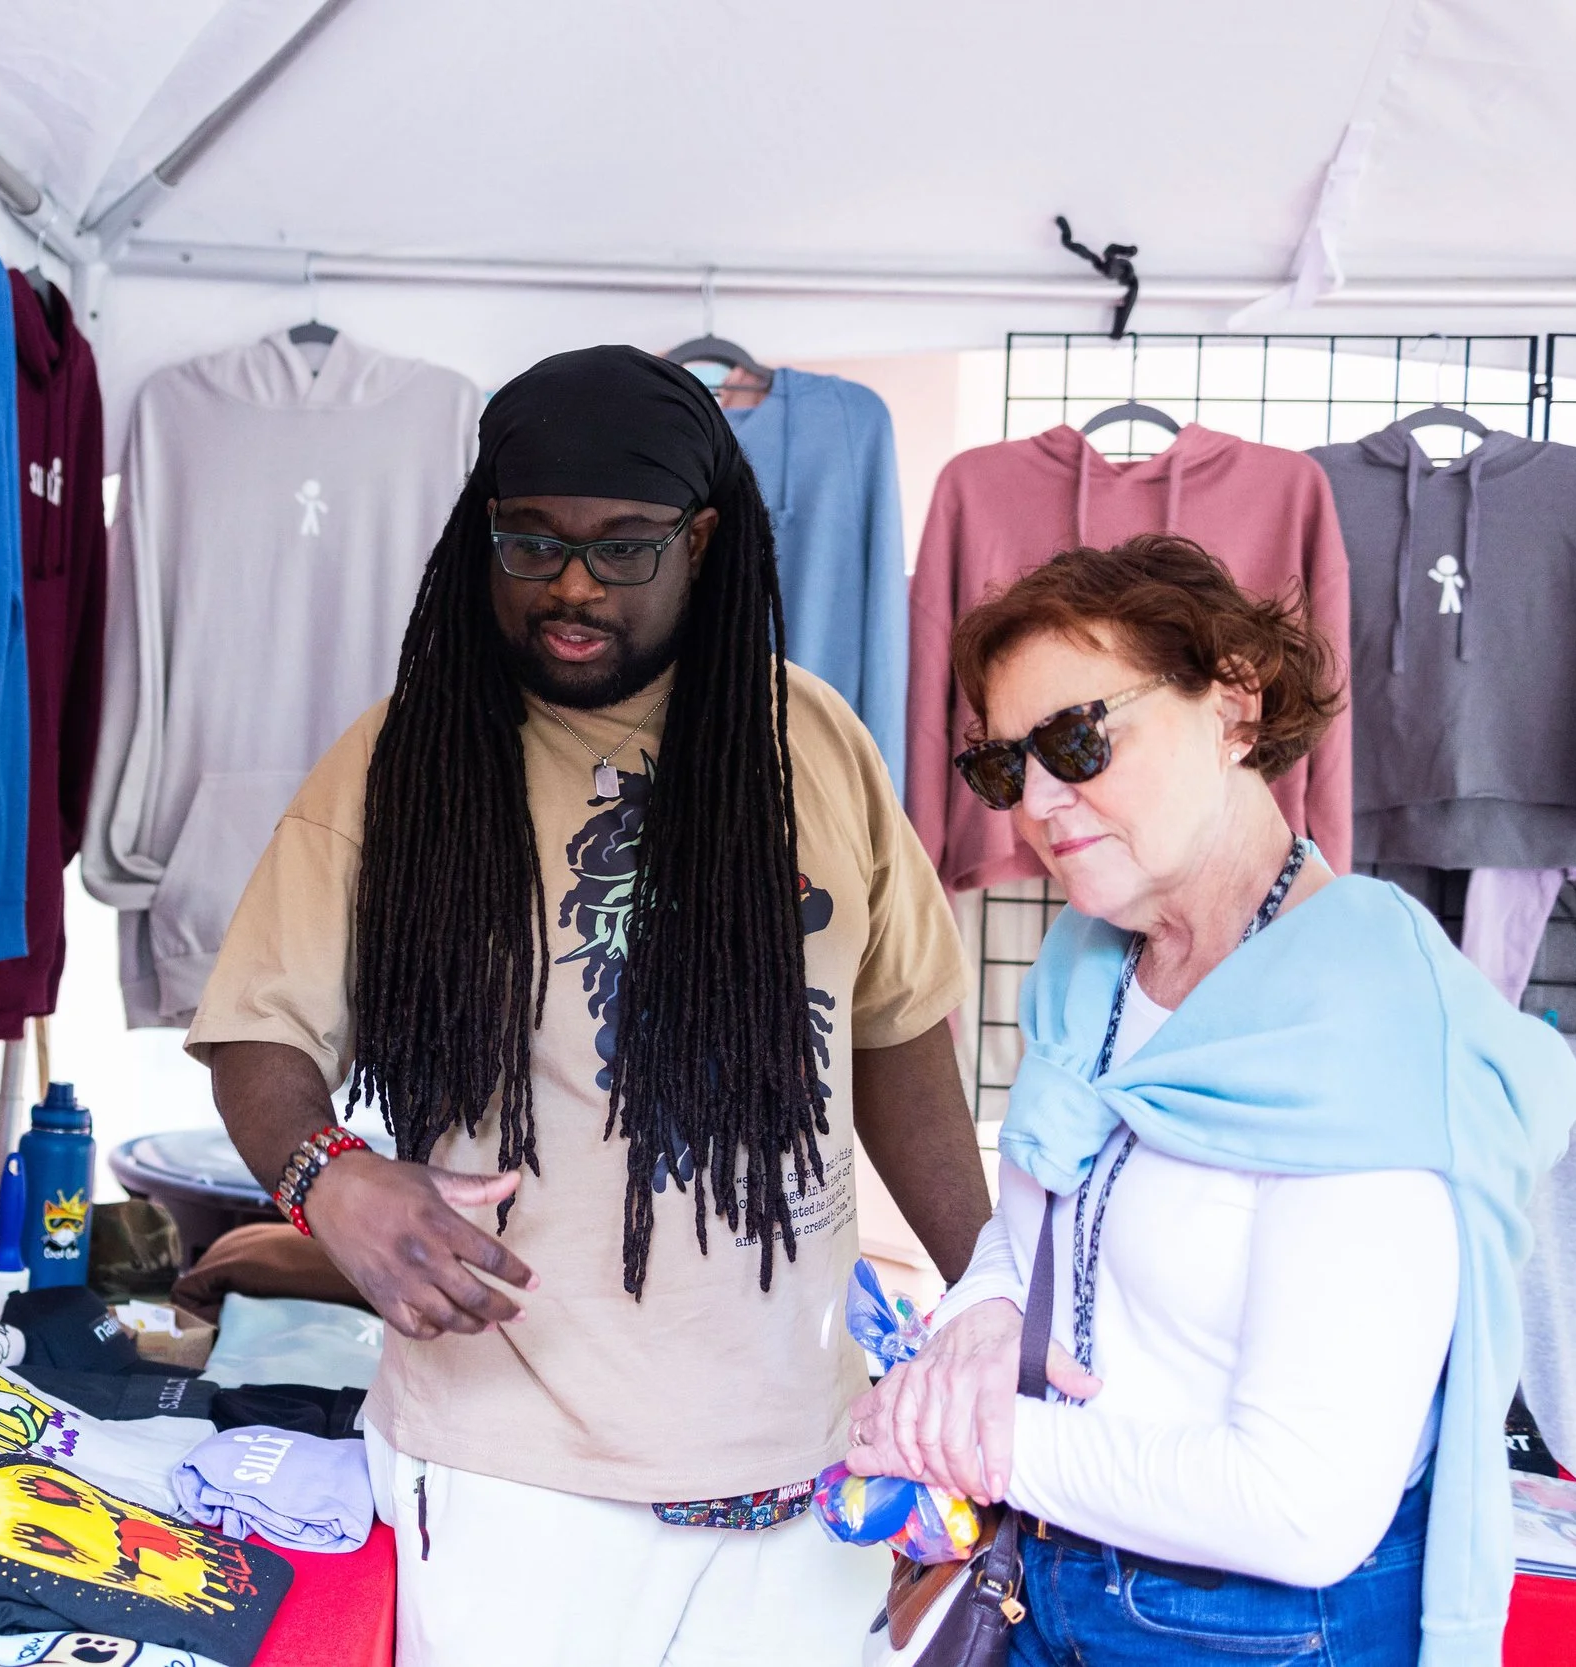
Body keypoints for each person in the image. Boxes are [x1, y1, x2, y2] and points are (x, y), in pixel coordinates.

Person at [186, 346, 993, 1665]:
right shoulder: (405, 760)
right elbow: (258, 1031)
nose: (570, 583)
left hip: (802, 1461)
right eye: (532, 542)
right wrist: (331, 1173)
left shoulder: (818, 743)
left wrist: (989, 1295)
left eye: (622, 549)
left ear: (703, 540)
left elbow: (901, 1034)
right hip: (513, 1474)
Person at [844, 535, 1576, 1667]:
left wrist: (975, 1437)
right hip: (1048, 1580)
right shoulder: (1091, 966)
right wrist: (988, 1315)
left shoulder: (1362, 1026)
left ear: (1233, 704)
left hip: (1262, 1634)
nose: (1035, 803)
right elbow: (1038, 1223)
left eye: (1077, 740)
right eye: (1002, 767)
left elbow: (1301, 1503)